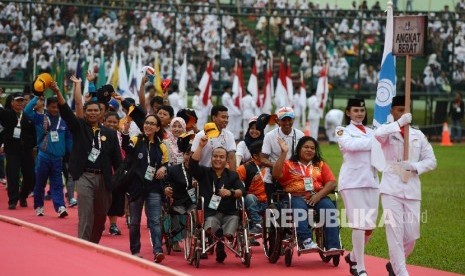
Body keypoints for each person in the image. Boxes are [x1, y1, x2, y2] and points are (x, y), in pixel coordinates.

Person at [373, 96, 437, 276]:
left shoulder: (418, 135)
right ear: (392, 111)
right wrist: (399, 123)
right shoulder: (387, 132)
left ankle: (394, 265)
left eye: (405, 110)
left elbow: (432, 161)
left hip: (412, 188)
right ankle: (401, 272)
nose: (402, 113)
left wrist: (415, 167)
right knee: (395, 234)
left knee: (411, 236)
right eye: (399, 110)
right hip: (391, 189)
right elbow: (377, 135)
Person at [53, 81, 122, 244]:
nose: (92, 113)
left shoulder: (110, 134)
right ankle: (82, 245)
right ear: (85, 113)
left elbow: (118, 161)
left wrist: (120, 181)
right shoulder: (79, 127)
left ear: (101, 113)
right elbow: (68, 110)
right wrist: (58, 91)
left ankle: (93, 244)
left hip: (104, 179)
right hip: (84, 176)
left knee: (100, 217)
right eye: (89, 110)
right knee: (86, 213)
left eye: (95, 111)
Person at [273, 136, 341, 251]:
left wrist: (318, 196)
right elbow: (276, 174)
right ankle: (306, 241)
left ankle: (333, 246)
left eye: (312, 148)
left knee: (329, 207)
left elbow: (332, 183)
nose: (309, 150)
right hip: (295, 196)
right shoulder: (289, 164)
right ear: (299, 149)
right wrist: (284, 153)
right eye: (306, 147)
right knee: (299, 206)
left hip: (317, 196)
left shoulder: (320, 165)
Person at [335, 98, 380, 276]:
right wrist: (376, 141)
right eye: (356, 110)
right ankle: (360, 268)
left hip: (372, 180)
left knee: (370, 227)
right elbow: (350, 145)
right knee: (359, 225)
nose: (360, 113)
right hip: (352, 182)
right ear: (348, 112)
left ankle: (353, 256)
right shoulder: (342, 130)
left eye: (362, 110)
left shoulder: (372, 131)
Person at [190, 135, 244, 263]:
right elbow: (192, 165)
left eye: (221, 157)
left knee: (234, 218)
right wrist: (201, 146)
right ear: (211, 158)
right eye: (215, 156)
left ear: (227, 161)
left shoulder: (232, 175)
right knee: (212, 222)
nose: (218, 159)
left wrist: (230, 192)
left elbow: (241, 191)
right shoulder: (204, 172)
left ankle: (225, 238)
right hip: (210, 212)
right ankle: (216, 239)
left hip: (229, 212)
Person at [121, 114, 168, 263]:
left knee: (154, 220)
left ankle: (158, 250)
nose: (148, 126)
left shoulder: (161, 145)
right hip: (136, 187)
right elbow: (126, 148)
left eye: (152, 124)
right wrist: (126, 133)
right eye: (147, 123)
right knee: (134, 221)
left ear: (158, 128)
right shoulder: (136, 140)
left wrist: (163, 169)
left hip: (154, 187)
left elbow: (166, 163)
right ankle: (135, 250)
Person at [24, 95, 72, 218]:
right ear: (47, 106)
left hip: (58, 158)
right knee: (40, 183)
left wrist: (71, 154)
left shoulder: (64, 121)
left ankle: (60, 207)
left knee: (57, 183)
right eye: (52, 107)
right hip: (43, 157)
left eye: (57, 107)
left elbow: (68, 140)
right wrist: (35, 98)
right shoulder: (40, 118)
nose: (55, 110)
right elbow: (27, 111)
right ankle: (39, 206)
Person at [0, 92, 36, 209]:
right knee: (12, 175)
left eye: (22, 101)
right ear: (12, 103)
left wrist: (32, 145)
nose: (20, 103)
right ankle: (13, 200)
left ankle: (23, 196)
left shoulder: (28, 115)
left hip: (26, 150)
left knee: (30, 176)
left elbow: (33, 133)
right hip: (12, 151)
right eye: (17, 101)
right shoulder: (6, 114)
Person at [261, 107, 304, 203]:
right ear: (278, 121)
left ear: (294, 120)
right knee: (274, 208)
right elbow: (263, 159)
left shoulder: (300, 135)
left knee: (294, 205)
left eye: (289, 119)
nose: (287, 123)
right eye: (284, 120)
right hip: (273, 178)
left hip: (294, 177)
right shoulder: (270, 136)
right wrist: (277, 166)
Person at [164, 134, 197, 252]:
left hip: (193, 201)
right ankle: (175, 241)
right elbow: (165, 183)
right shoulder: (173, 169)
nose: (190, 157)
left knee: (198, 211)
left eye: (193, 155)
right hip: (178, 200)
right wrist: (166, 189)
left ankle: (199, 240)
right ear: (183, 155)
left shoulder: (199, 170)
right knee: (179, 211)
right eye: (188, 154)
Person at [191, 105, 237, 171]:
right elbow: (193, 159)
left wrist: (233, 178)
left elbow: (232, 158)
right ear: (214, 118)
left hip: (221, 175)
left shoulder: (229, 135)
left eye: (227, 118)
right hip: (203, 174)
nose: (226, 120)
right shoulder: (200, 135)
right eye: (223, 117)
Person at [237, 141, 267, 234]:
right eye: (264, 152)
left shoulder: (272, 166)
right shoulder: (244, 168)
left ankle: (284, 230)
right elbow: (234, 183)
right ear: (256, 155)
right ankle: (257, 223)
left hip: (269, 202)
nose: (268, 154)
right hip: (253, 202)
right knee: (250, 197)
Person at [103, 112, 126, 235]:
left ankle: (113, 225)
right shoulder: (98, 134)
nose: (112, 124)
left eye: (114, 122)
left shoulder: (122, 136)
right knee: (101, 198)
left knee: (115, 198)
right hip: (101, 171)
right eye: (109, 121)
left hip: (117, 172)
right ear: (104, 121)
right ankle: (99, 223)